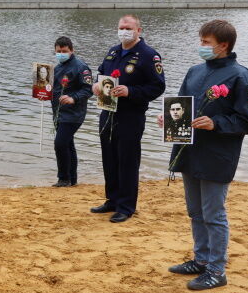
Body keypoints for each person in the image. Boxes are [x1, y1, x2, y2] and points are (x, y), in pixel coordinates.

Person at [160, 20, 248, 290]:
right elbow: (182, 105)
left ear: (223, 45)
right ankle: (201, 259)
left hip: (218, 153)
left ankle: (217, 269)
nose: (201, 46)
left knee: (213, 213)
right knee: (195, 211)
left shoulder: (242, 75)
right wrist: (169, 119)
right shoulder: (194, 71)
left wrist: (217, 123)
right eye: (201, 41)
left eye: (206, 42)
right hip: (189, 150)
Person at [90, 14, 166, 223]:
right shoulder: (113, 51)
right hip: (107, 111)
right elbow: (101, 74)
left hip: (130, 115)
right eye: (121, 27)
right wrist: (96, 86)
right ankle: (112, 200)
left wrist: (130, 91)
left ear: (138, 31)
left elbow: (157, 86)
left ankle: (126, 206)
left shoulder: (149, 55)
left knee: (127, 161)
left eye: (128, 28)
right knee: (109, 158)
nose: (124, 31)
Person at [51, 36, 93, 187]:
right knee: (68, 144)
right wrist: (43, 94)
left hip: (74, 113)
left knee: (60, 144)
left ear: (72, 50)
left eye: (64, 51)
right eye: (58, 51)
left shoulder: (81, 67)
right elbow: (54, 89)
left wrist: (73, 98)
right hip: (58, 113)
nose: (61, 53)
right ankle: (72, 179)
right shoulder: (57, 68)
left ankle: (63, 178)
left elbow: (88, 90)